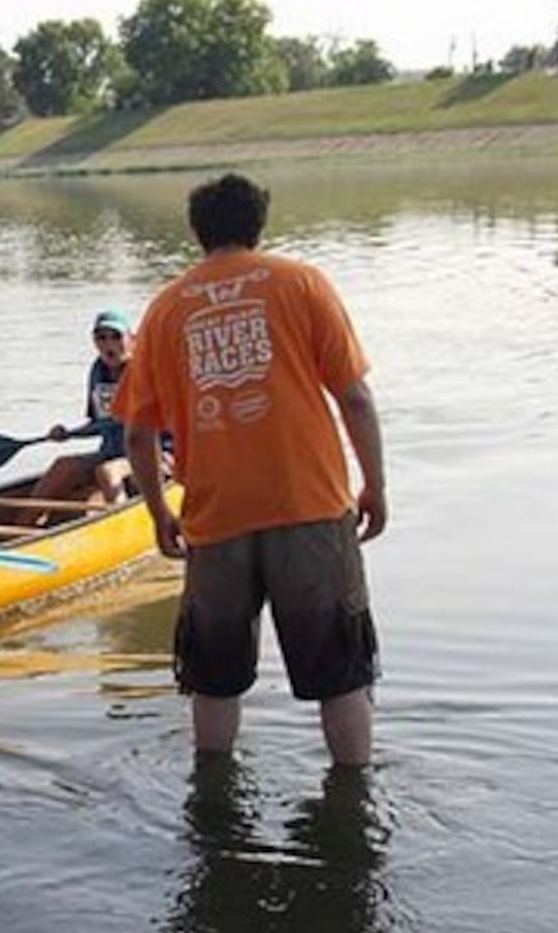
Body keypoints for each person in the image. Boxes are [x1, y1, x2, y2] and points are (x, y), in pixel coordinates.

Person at [113, 172, 387, 768]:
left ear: (196, 232)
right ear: (259, 225)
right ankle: (353, 798)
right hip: (310, 508)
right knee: (340, 672)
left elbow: (136, 431)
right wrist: (376, 486)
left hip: (215, 520)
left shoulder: (165, 309)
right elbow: (355, 398)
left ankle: (213, 805)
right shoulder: (303, 284)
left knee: (213, 678)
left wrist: (160, 510)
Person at [23, 308, 139, 518]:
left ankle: (121, 523)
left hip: (156, 455)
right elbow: (99, 424)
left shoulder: (146, 370)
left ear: (131, 339)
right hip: (112, 451)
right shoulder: (99, 372)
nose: (108, 344)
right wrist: (68, 433)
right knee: (62, 466)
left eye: (116, 337)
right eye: (101, 338)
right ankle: (21, 528)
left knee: (108, 471)